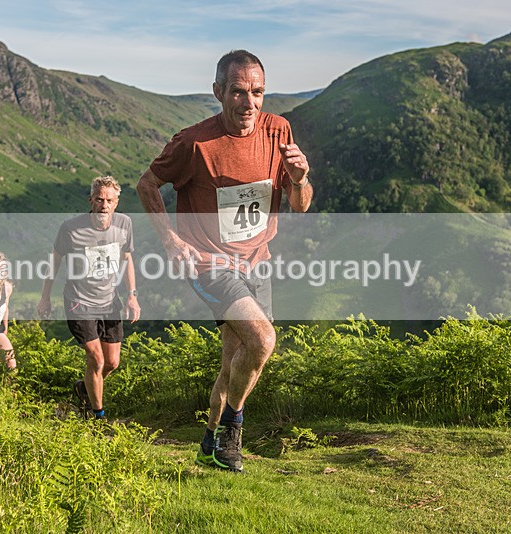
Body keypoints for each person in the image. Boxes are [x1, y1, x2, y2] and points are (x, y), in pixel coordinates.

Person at [136, 50, 313, 472]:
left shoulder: (278, 130)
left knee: (236, 358)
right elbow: (147, 184)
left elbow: (300, 205)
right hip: (208, 263)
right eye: (238, 92)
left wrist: (303, 178)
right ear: (218, 92)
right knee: (263, 340)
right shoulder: (193, 142)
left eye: (257, 92)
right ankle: (234, 431)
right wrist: (171, 242)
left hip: (258, 260)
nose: (248, 103)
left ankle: (208, 441)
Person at [37, 176, 141, 420]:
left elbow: (127, 260)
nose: (104, 205)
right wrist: (45, 297)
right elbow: (54, 261)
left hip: (109, 300)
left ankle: (84, 388)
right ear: (90, 200)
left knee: (112, 363)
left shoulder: (125, 224)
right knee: (96, 358)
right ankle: (97, 416)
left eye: (109, 200)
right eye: (99, 199)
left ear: (117, 203)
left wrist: (132, 296)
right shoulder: (71, 228)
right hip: (79, 301)